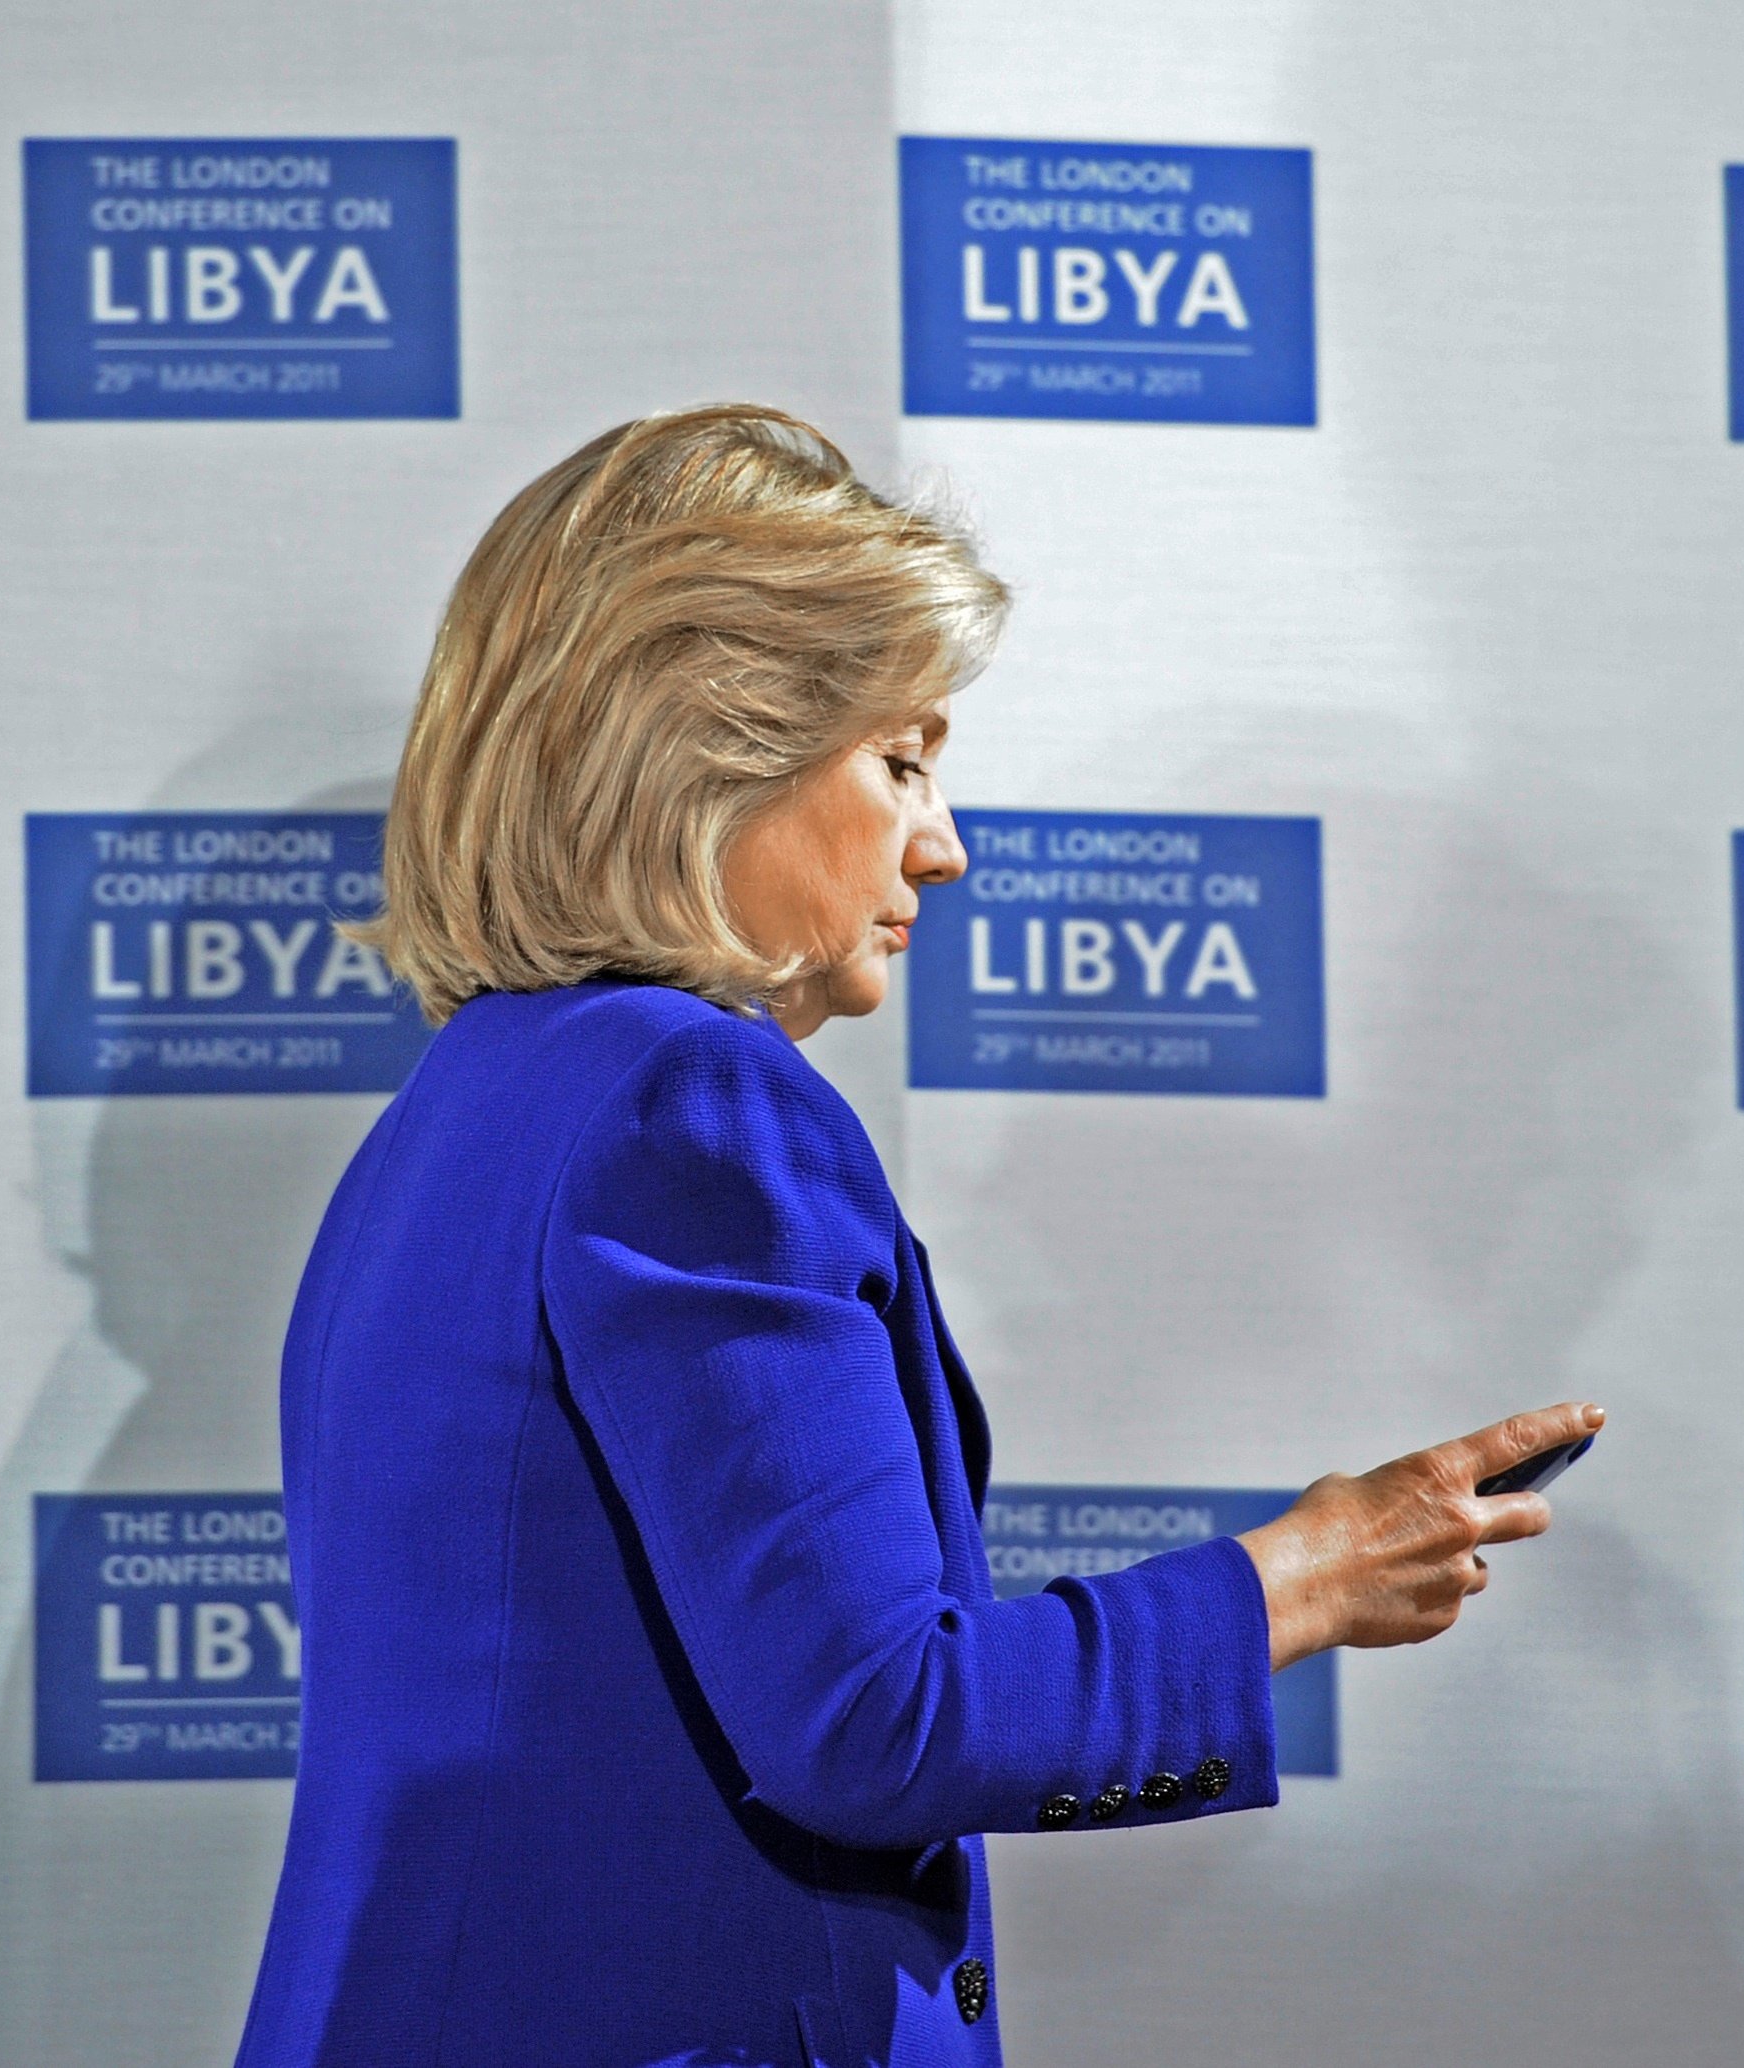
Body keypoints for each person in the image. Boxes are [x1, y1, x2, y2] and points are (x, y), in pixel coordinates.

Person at [230, 405, 1604, 2068]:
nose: (942, 848)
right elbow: (877, 1725)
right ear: (707, 743)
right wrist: (1305, 1577)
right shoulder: (693, 1104)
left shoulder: (461, 1110)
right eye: (901, 760)